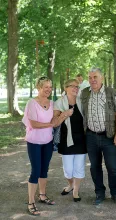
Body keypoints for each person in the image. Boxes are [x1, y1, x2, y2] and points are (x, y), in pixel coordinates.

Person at [80, 68, 116, 205]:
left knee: (112, 167)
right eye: (90, 77)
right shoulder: (85, 93)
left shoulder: (111, 92)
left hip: (108, 136)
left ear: (102, 78)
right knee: (95, 167)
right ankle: (99, 193)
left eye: (95, 77)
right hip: (91, 136)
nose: (92, 80)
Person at [22, 76, 57, 216]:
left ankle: (42, 195)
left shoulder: (52, 103)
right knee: (35, 171)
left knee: (44, 169)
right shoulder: (32, 103)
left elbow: (56, 119)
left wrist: (64, 115)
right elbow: (33, 124)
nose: (48, 89)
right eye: (45, 87)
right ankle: (31, 202)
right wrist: (50, 124)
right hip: (34, 142)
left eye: (50, 87)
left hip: (48, 142)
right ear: (38, 87)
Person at [53, 79, 87, 202]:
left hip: (81, 140)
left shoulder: (82, 102)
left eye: (77, 86)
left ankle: (76, 190)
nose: (75, 88)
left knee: (79, 167)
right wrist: (65, 114)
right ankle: (70, 185)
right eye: (72, 86)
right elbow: (54, 123)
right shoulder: (59, 103)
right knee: (68, 169)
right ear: (65, 88)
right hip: (66, 140)